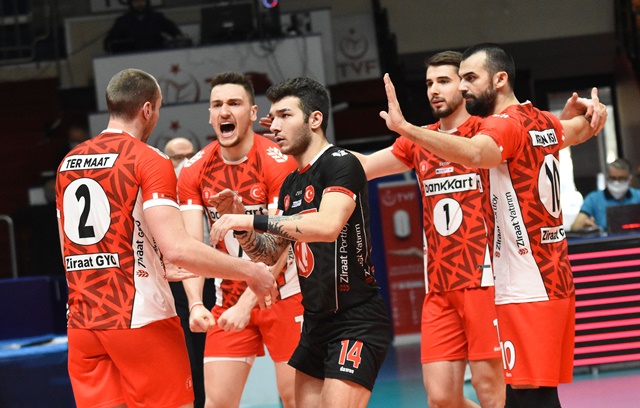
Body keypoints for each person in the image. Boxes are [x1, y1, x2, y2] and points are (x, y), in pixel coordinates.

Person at [379, 43, 607, 408]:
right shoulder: (540, 120)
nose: (463, 87)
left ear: (499, 79)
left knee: (528, 398)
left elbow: (475, 153)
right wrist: (595, 113)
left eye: (470, 78)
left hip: (526, 283)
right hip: (552, 278)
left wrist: (406, 128)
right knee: (522, 397)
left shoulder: (504, 125)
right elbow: (580, 130)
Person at [55, 68, 277, 408]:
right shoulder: (147, 158)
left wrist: (156, 263)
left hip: (83, 322)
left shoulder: (69, 163)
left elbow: (69, 250)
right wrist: (249, 271)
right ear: (147, 109)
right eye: (158, 109)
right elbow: (178, 248)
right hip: (139, 317)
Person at [209, 77, 392, 408]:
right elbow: (270, 254)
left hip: (355, 318)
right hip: (316, 322)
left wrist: (252, 220)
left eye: (285, 116)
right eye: (273, 117)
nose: (275, 126)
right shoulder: (291, 183)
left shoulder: (340, 163)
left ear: (315, 119)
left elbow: (328, 226)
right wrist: (242, 226)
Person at [354, 51, 504, 408]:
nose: (434, 90)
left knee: (490, 389)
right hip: (439, 285)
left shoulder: (488, 132)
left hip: (485, 280)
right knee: (440, 397)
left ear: (465, 85)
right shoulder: (419, 140)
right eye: (429, 83)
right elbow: (365, 166)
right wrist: (310, 149)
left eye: (443, 81)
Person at [177, 72, 303, 408]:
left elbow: (282, 245)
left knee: (295, 398)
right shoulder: (194, 170)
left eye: (234, 103)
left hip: (284, 295)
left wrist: (247, 305)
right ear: (209, 115)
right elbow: (191, 247)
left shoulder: (278, 162)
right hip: (227, 299)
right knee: (217, 403)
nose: (224, 111)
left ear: (252, 113)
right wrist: (195, 303)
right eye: (217, 104)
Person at [164, 136, 215, 408]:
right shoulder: (157, 194)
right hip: (173, 286)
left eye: (189, 155)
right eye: (176, 157)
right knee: (185, 355)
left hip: (210, 280)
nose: (183, 162)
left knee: (211, 354)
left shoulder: (208, 188)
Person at [571, 158, 640, 231]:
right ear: (606, 178)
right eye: (613, 178)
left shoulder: (638, 196)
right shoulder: (593, 198)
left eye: (621, 178)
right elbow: (575, 226)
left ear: (630, 179)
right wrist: (585, 225)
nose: (617, 182)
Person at [104, 0, 183, 53]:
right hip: (132, 59)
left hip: (157, 55)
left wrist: (178, 37)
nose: (139, 4)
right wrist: (109, 45)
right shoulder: (123, 21)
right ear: (131, 3)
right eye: (136, 1)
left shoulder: (157, 18)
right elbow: (109, 41)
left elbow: (174, 31)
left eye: (142, 1)